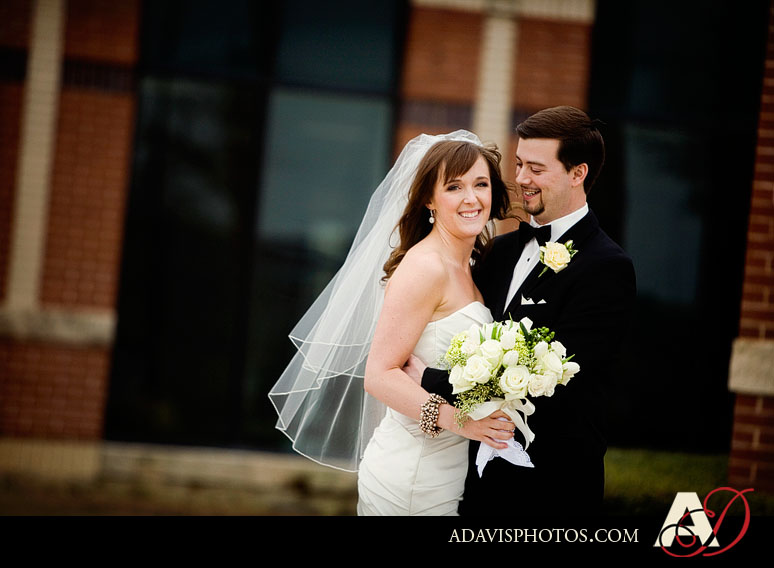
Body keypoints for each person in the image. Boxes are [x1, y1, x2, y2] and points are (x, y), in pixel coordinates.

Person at [268, 131, 515, 516]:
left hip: (447, 471)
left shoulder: (467, 266)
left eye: (480, 184)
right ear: (429, 200)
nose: (471, 198)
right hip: (411, 476)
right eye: (454, 187)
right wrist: (462, 422)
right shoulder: (425, 267)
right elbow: (379, 375)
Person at [414, 106, 637, 517]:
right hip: (472, 484)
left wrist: (428, 380)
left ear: (577, 173)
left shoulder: (607, 268)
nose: (519, 179)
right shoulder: (498, 252)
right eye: (518, 164)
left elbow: (555, 383)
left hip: (550, 490)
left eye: (535, 168)